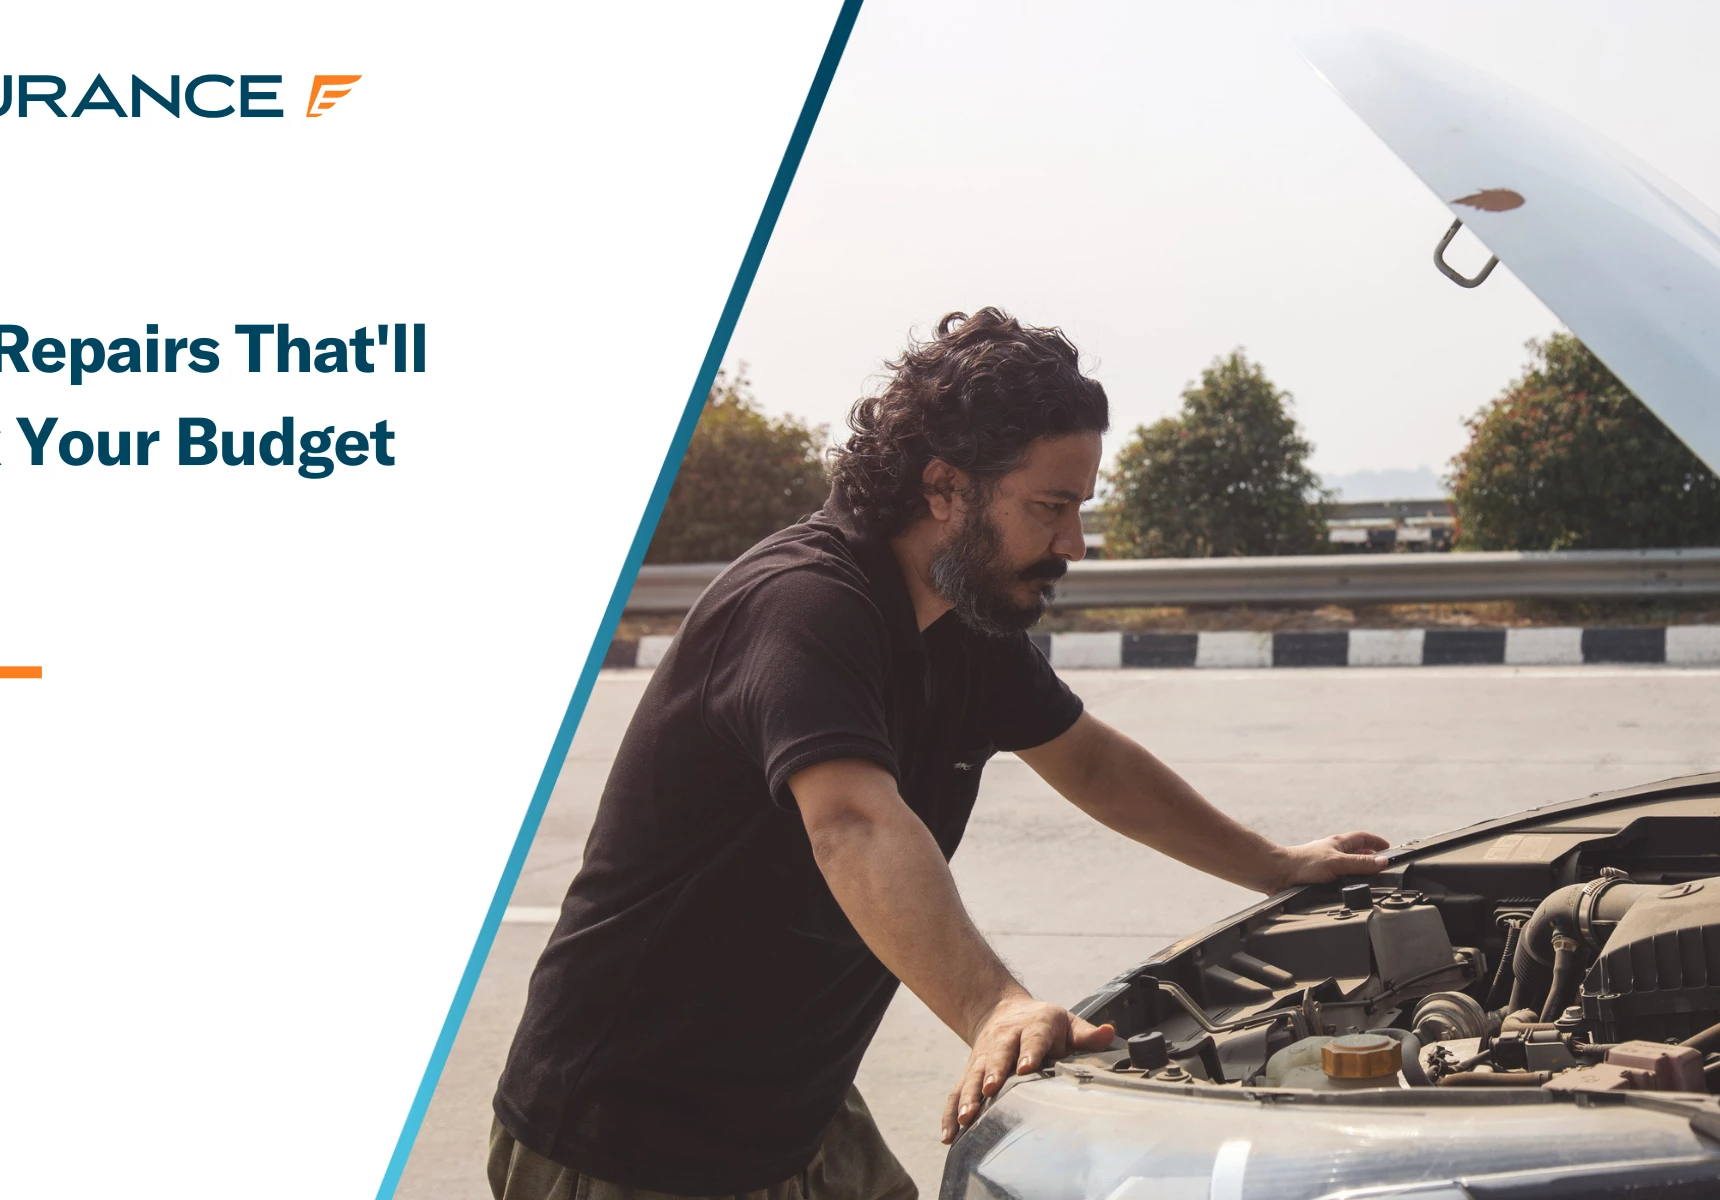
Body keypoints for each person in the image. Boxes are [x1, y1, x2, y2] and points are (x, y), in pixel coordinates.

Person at [489, 308, 1389, 1200]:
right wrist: (995, 1005)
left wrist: (1272, 866)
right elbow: (852, 823)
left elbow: (1092, 763)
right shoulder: (805, 608)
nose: (1073, 544)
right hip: (627, 1137)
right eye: (1051, 507)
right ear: (946, 489)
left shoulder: (964, 624)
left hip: (791, 1111)